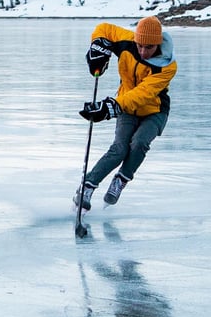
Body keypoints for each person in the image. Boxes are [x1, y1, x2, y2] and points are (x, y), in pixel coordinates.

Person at [73, 16, 176, 210]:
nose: (143, 52)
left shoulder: (167, 65)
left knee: (139, 142)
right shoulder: (127, 40)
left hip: (155, 110)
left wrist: (110, 107)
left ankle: (121, 179)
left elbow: (143, 94)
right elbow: (103, 28)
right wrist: (98, 46)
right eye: (139, 46)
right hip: (126, 106)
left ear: (158, 44)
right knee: (119, 149)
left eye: (149, 48)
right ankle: (87, 187)